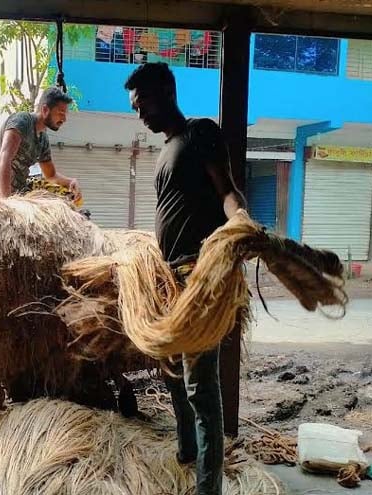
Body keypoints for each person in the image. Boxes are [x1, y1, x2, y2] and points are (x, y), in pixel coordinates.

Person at [124, 62, 247, 495]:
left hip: (199, 276)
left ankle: (207, 488)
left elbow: (228, 191)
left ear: (168, 91)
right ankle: (186, 454)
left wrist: (241, 224)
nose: (141, 115)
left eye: (145, 104)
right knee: (173, 373)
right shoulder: (164, 149)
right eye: (136, 108)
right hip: (172, 277)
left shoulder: (200, 133)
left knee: (201, 388)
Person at [0, 87, 81, 201]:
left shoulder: (43, 139)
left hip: (19, 198)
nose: (64, 119)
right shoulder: (21, 122)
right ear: (45, 110)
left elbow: (51, 175)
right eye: (61, 113)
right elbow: (4, 160)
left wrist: (70, 181)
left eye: (65, 114)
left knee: (63, 199)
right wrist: (7, 202)